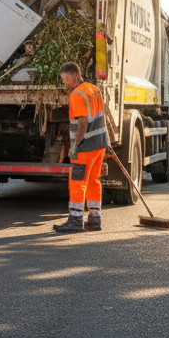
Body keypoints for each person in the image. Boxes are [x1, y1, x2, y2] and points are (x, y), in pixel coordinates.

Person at [55, 62, 108, 232]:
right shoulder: (94, 89)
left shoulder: (76, 95)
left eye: (66, 79)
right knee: (93, 180)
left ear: (75, 76)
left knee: (77, 182)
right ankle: (94, 218)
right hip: (99, 143)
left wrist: (74, 146)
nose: (65, 83)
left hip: (85, 147)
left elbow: (83, 122)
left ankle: (76, 219)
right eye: (63, 80)